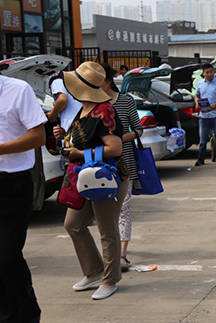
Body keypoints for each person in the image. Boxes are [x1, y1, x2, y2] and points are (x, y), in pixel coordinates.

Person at [54, 61, 129, 301]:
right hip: (84, 177)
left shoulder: (104, 110)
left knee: (107, 230)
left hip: (105, 176)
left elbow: (115, 148)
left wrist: (79, 154)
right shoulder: (83, 108)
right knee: (73, 224)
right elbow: (81, 138)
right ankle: (94, 271)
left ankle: (110, 279)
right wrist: (63, 138)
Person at [0, 74, 46, 322]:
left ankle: (27, 313)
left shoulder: (18, 89)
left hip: (12, 185)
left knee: (6, 256)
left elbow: (38, 137)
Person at [98, 63, 143, 273]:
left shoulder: (126, 101)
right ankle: (110, 253)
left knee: (123, 209)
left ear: (107, 80)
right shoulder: (91, 104)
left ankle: (122, 255)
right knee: (105, 213)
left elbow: (139, 129)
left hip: (125, 162)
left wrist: (119, 139)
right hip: (99, 165)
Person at [194, 63, 216, 167]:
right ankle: (201, 158)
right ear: (203, 73)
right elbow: (196, 96)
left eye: (211, 72)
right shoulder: (200, 83)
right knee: (203, 139)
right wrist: (196, 103)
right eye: (207, 72)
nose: (209, 74)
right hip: (204, 116)